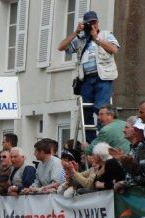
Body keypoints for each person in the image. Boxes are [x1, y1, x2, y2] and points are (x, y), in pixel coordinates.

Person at [58, 10, 120, 139]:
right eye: (89, 23)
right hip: (86, 79)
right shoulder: (80, 39)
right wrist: (76, 32)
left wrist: (96, 38)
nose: (92, 25)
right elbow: (61, 47)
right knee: (86, 112)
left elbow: (114, 49)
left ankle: (103, 137)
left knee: (101, 109)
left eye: (94, 22)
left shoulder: (106, 35)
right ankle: (92, 141)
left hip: (103, 77)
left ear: (98, 22)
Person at [111, 116, 145, 192]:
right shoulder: (134, 148)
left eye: (127, 127)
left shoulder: (141, 147)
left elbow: (142, 177)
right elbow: (131, 173)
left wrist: (124, 183)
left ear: (136, 129)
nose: (123, 130)